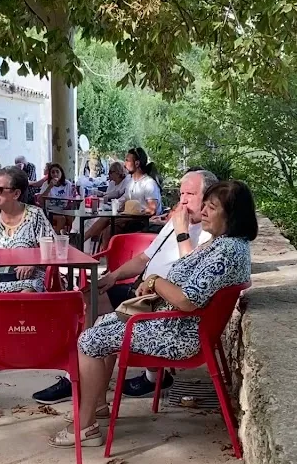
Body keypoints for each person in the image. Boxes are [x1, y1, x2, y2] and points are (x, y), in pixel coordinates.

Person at [50, 180, 258, 447]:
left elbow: (186, 300)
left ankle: (85, 424)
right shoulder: (226, 244)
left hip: (178, 333)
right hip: (177, 324)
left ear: (232, 215)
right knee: (99, 329)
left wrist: (154, 282)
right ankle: (95, 406)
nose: (203, 211)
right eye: (203, 205)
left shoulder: (226, 251)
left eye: (212, 207)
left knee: (88, 341)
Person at [34, 168, 217, 404]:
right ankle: (81, 376)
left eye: (189, 194)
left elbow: (190, 271)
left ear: (209, 197)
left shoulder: (208, 233)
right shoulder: (177, 222)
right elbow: (144, 258)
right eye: (181, 193)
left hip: (160, 303)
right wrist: (113, 276)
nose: (182, 200)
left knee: (103, 326)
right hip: (141, 291)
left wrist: (182, 231)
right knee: (86, 298)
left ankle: (83, 382)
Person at [0, 166, 55, 293]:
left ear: (16, 194)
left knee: (25, 297)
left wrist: (32, 262)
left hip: (29, 279)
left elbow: (51, 249)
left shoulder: (35, 214)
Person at [85, 147, 162, 248]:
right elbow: (124, 199)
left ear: (137, 163)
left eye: (127, 160)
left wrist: (133, 213)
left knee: (108, 231)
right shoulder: (131, 183)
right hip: (129, 219)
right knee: (105, 220)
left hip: (143, 222)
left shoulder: (148, 184)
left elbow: (152, 210)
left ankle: (81, 241)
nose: (124, 164)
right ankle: (80, 240)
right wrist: (113, 206)